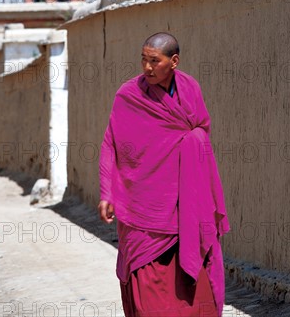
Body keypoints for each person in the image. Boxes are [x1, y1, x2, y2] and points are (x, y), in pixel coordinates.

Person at [98, 33, 230, 317]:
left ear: (174, 61)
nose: (147, 68)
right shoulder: (129, 95)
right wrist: (106, 193)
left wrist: (192, 141)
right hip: (141, 205)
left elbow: (201, 132)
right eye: (143, 60)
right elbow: (110, 143)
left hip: (185, 201)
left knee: (190, 279)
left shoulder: (190, 88)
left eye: (154, 61)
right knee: (146, 278)